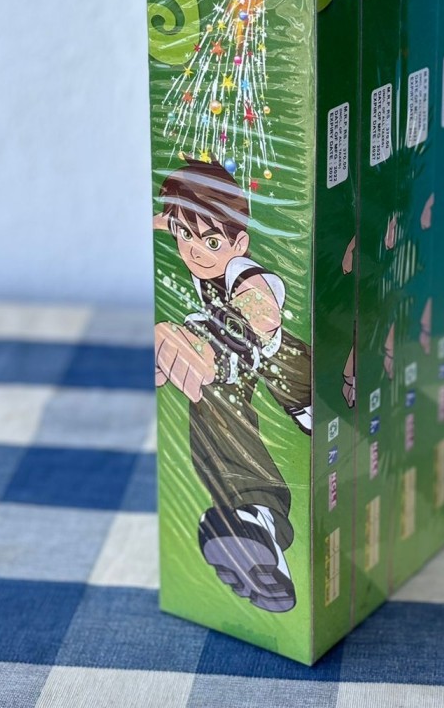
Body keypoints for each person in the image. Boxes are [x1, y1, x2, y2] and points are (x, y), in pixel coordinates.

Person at [153, 157, 311, 613]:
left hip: (295, 377)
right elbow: (173, 221)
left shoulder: (243, 272)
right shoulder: (195, 245)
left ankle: (259, 520)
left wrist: (225, 335)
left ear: (238, 242)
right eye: (185, 236)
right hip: (235, 364)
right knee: (213, 400)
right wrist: (167, 221)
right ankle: (256, 521)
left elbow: (261, 308)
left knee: (278, 379)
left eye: (211, 241)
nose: (195, 252)